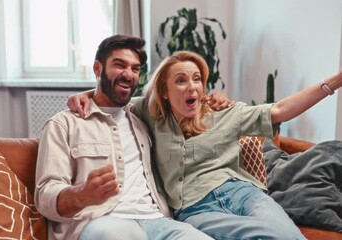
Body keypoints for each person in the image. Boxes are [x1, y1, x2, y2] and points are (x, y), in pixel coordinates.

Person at [68, 50, 342, 239]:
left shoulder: (224, 112)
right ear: (164, 91)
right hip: (195, 210)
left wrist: (336, 80)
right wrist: (88, 94)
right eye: (181, 80)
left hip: (243, 194)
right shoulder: (149, 115)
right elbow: (115, 97)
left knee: (286, 236)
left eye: (197, 79)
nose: (192, 87)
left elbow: (281, 109)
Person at [34, 35, 234, 240]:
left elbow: (181, 101)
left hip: (158, 220)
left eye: (135, 69)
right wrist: (82, 194)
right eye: (119, 65)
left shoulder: (143, 117)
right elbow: (45, 196)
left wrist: (215, 99)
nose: (128, 74)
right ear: (97, 68)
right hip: (103, 221)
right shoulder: (63, 124)